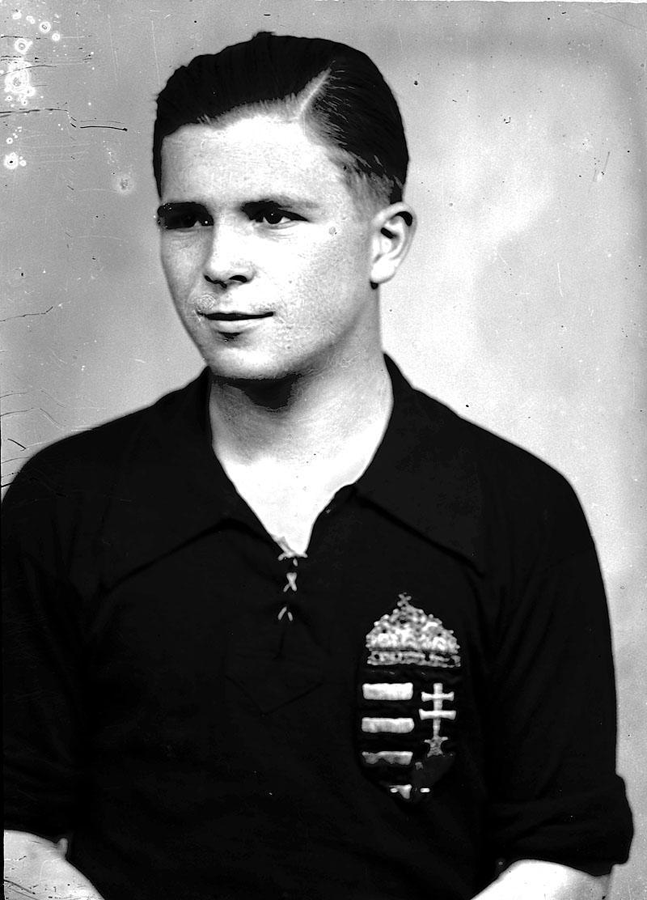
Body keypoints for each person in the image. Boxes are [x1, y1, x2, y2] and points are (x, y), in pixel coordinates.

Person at [3, 31, 633, 900]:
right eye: (187, 219)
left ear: (385, 243)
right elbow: (10, 829)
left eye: (272, 215)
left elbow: (564, 853)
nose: (219, 265)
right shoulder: (64, 501)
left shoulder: (520, 511)